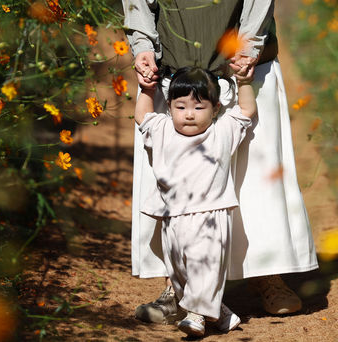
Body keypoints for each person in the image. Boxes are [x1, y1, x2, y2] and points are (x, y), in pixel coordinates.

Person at [124, 0, 318, 322]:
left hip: (244, 63)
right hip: (174, 67)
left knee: (256, 177)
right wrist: (142, 43)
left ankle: (265, 272)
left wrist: (249, 45)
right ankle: (178, 286)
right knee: (178, 182)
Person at [134, 65, 256, 336]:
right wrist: (147, 89)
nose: (189, 114)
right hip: (173, 218)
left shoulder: (221, 132)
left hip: (210, 216)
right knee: (179, 273)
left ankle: (197, 316)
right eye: (181, 107)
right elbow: (142, 115)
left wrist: (245, 81)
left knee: (206, 265)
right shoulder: (163, 129)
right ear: (169, 107)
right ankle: (222, 315)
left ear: (215, 109)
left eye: (199, 108)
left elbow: (246, 111)